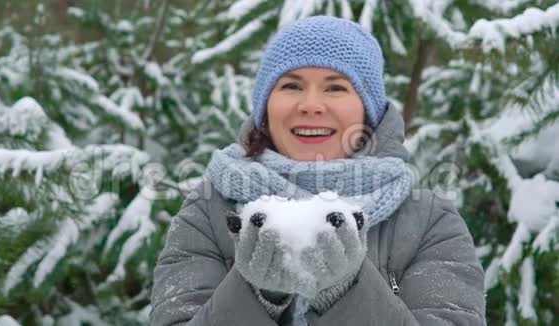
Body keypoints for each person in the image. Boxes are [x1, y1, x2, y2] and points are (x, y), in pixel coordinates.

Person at [150, 16, 486, 326]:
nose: (310, 104)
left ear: (368, 112)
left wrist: (345, 289)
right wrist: (260, 293)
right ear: (265, 108)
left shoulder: (429, 222)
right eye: (291, 86)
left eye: (336, 87)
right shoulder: (207, 212)